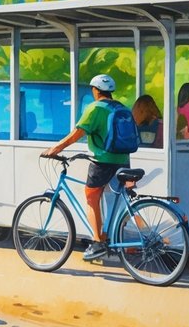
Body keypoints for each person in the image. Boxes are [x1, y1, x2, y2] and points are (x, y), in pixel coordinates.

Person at [41, 73, 131, 262]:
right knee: (114, 200)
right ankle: (106, 238)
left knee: (91, 197)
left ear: (95, 90)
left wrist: (56, 148)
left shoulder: (95, 108)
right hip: (123, 159)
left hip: (102, 160)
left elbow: (77, 133)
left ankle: (97, 242)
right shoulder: (121, 107)